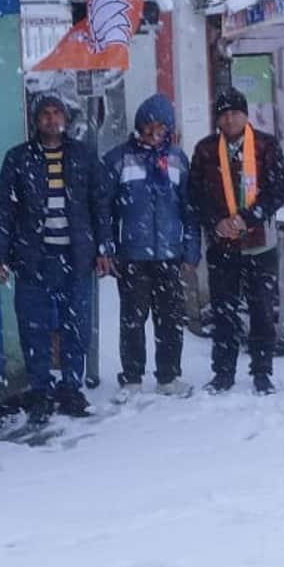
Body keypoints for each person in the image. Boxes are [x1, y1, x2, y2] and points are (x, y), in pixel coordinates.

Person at [0, 92, 113, 426]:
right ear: (35, 120)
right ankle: (40, 392)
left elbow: (100, 206)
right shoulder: (18, 159)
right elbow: (5, 210)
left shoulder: (84, 156)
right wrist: (0, 255)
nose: (51, 119)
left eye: (56, 112)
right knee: (35, 328)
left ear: (66, 118)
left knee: (77, 326)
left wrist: (104, 248)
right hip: (34, 258)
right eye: (44, 113)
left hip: (76, 257)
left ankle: (71, 387)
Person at [189, 87, 284, 395]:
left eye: (236, 112)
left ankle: (262, 371)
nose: (230, 118)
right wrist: (216, 222)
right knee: (223, 311)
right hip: (222, 246)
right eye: (224, 114)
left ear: (246, 115)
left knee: (261, 309)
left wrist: (249, 217)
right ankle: (223, 372)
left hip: (259, 243)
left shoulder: (265, 145)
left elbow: (280, 189)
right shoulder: (206, 150)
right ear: (218, 120)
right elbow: (194, 195)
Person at [102, 94, 201, 398]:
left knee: (170, 319)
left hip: (169, 254)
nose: (153, 134)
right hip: (133, 253)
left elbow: (189, 208)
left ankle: (168, 376)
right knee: (132, 319)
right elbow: (104, 210)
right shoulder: (119, 159)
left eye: (160, 129)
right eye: (148, 127)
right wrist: (107, 246)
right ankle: (132, 377)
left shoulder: (177, 160)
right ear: (138, 127)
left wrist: (191, 247)